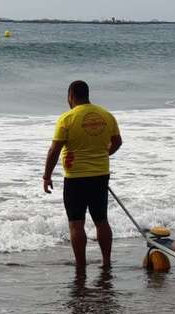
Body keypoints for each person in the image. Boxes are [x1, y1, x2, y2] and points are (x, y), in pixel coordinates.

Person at [43, 80, 123, 270]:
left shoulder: (67, 119)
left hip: (75, 178)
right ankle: (106, 262)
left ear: (71, 96)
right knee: (101, 220)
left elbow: (54, 151)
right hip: (100, 175)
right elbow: (118, 142)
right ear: (87, 94)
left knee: (76, 224)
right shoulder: (106, 116)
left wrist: (46, 176)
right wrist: (103, 154)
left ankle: (81, 266)